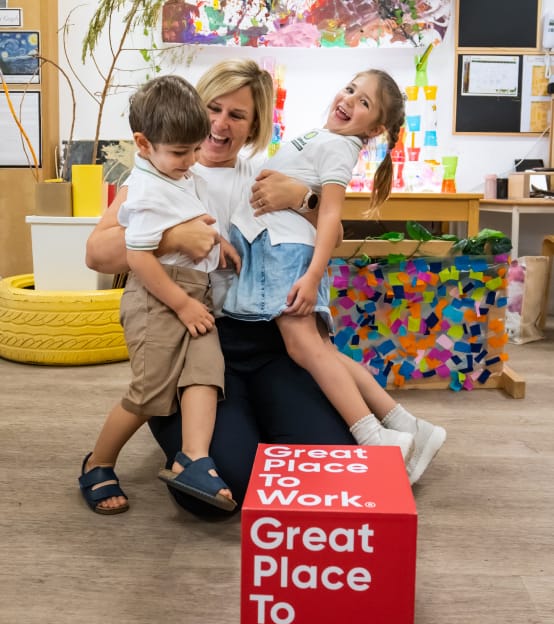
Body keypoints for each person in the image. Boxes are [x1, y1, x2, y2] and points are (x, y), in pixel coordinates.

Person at [85, 59, 445, 518]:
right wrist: (173, 238)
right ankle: (184, 436)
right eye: (212, 108)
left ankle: (271, 424)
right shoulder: (163, 170)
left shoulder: (264, 173)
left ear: (254, 127)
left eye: (237, 116)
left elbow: (327, 233)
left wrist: (303, 198)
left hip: (267, 341)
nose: (219, 124)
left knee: (339, 460)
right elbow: (98, 253)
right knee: (225, 490)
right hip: (196, 341)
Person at [222, 68, 428, 461]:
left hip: (282, 250)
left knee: (306, 349)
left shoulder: (339, 148)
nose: (349, 99)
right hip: (275, 248)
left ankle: (375, 437)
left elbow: (332, 217)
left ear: (375, 127)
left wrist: (314, 274)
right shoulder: (324, 138)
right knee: (317, 349)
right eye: (350, 89)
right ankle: (403, 425)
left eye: (364, 102)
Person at [79, 75, 241, 515]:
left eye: (194, 149)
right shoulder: (146, 188)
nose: (190, 161)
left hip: (193, 295)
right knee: (151, 391)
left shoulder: (178, 172)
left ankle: (193, 458)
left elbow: (194, 216)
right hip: (158, 297)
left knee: (206, 373)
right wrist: (183, 303)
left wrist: (218, 240)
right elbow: (141, 260)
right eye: (179, 152)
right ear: (144, 144)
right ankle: (98, 462)